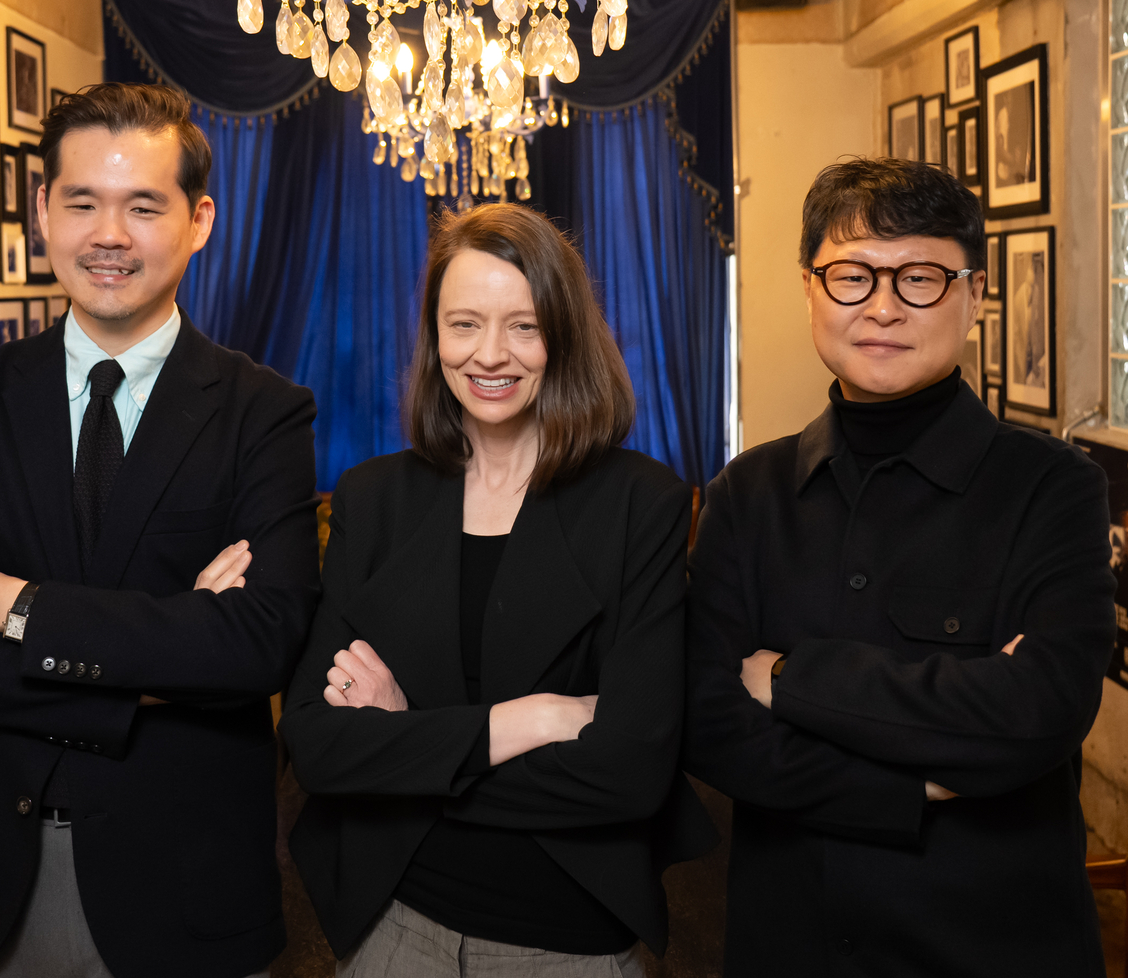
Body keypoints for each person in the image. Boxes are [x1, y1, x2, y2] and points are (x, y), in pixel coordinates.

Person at [0, 83, 321, 978]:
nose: (109, 235)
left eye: (143, 206)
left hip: (183, 872)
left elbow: (261, 642)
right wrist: (150, 674)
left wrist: (23, 610)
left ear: (199, 221)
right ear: (44, 211)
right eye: (82, 203)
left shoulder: (265, 413)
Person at [684, 157, 1116, 977]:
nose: (882, 307)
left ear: (975, 296)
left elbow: (1039, 712)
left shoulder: (1053, 488)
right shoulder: (748, 493)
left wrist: (791, 678)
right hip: (793, 948)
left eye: (919, 278)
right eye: (852, 276)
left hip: (994, 950)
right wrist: (912, 785)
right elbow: (707, 724)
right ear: (809, 289)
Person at [280, 203, 715, 977]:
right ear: (435, 336)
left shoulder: (641, 503)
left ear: (564, 336)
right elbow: (315, 746)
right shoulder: (373, 498)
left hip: (566, 939)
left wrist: (406, 739)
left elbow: (629, 772)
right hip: (393, 925)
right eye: (464, 324)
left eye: (524, 326)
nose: (490, 354)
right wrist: (530, 719)